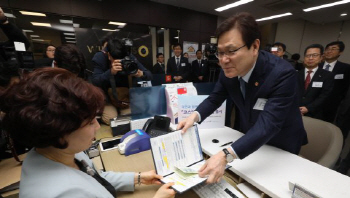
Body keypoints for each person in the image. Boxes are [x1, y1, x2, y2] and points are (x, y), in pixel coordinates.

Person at [0, 67, 175, 198]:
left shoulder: (57, 152)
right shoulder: (64, 194)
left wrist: (138, 177)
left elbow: (95, 177)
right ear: (61, 130)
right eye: (90, 122)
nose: (98, 127)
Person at [177, 12, 307, 184]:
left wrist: (225, 155)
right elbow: (215, 98)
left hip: (281, 142)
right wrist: (193, 118)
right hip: (250, 137)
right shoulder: (228, 70)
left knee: (273, 184)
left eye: (231, 51)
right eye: (220, 53)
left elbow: (269, 125)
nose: (224, 60)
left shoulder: (282, 74)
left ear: (254, 46)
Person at [91, 38, 152, 125]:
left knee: (129, 118)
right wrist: (110, 72)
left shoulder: (129, 57)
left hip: (125, 98)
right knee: (111, 119)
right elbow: (95, 81)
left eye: (122, 59)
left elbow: (149, 75)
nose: (120, 62)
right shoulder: (100, 57)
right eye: (115, 60)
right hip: (108, 98)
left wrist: (141, 74)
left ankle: (122, 111)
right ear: (109, 55)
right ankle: (113, 111)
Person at [298, 44, 334, 121]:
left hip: (315, 114)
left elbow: (325, 95)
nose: (310, 58)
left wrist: (308, 108)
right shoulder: (296, 74)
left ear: (321, 57)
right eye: (308, 55)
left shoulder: (327, 75)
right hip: (295, 112)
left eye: (314, 55)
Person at [320, 41, 350, 123]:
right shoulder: (317, 65)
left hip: (332, 105)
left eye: (333, 49)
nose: (329, 51)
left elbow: (345, 88)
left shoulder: (346, 68)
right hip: (312, 103)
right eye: (327, 49)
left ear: (340, 52)